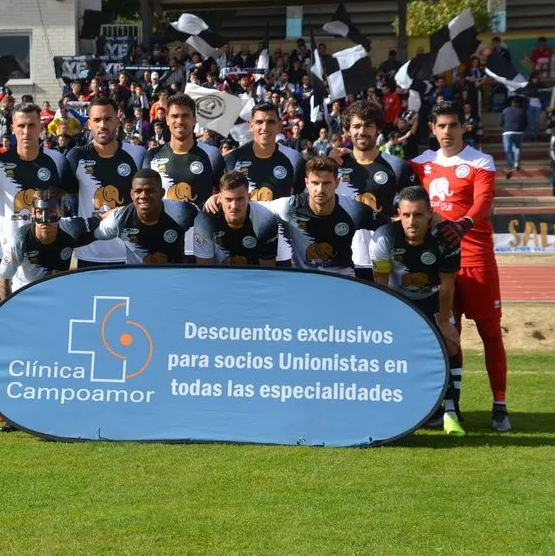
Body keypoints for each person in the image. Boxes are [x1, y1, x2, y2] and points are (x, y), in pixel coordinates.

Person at [409, 101, 511, 432]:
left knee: (490, 333)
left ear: (463, 127)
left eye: (453, 125)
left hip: (476, 259)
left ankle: (499, 405)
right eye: (442, 126)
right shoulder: (420, 164)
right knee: (448, 335)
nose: (447, 132)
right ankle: (453, 407)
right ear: (432, 129)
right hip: (439, 264)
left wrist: (464, 223)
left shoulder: (480, 161)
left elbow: (484, 201)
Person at [0, 103, 77, 303]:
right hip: (8, 256)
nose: (26, 131)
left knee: (51, 319)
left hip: (49, 255)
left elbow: (74, 192)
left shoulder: (57, 161)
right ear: (12, 128)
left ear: (41, 126)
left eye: (31, 125)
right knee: (3, 323)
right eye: (21, 126)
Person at [370, 186, 464, 436]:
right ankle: (406, 407)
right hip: (399, 299)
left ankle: (451, 411)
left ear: (430, 214)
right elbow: (381, 284)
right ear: (398, 215)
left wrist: (444, 322)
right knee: (395, 349)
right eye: (406, 215)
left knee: (450, 344)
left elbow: (447, 284)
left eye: (418, 215)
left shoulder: (446, 238)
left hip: (433, 298)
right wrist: (388, 320)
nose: (412, 221)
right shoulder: (383, 238)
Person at [215, 156, 385, 275]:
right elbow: (249, 205)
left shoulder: (353, 209)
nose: (320, 189)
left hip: (343, 280)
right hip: (304, 280)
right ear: (306, 183)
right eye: (315, 183)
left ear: (336, 183)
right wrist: (218, 198)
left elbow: (388, 226)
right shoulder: (289, 207)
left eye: (326, 183)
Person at [331, 100, 414, 280]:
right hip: (341, 261)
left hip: (384, 261)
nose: (361, 131)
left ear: (378, 129)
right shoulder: (335, 164)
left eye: (368, 125)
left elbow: (415, 209)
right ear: (347, 130)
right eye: (356, 126)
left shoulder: (396, 165)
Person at [65, 97, 145, 268]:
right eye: (97, 120)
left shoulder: (137, 154)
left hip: (129, 251)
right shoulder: (76, 156)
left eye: (108, 119)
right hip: (90, 251)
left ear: (117, 121)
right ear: (89, 124)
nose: (102, 125)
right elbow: (64, 193)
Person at [143, 93, 224, 262]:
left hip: (201, 247)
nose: (180, 121)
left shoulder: (212, 155)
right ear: (166, 119)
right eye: (175, 116)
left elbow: (226, 193)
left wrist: (218, 197)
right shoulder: (152, 156)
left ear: (195, 119)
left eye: (186, 115)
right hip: (162, 245)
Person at [223, 102, 305, 267]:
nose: (264, 127)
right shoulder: (233, 159)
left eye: (271, 122)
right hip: (241, 244)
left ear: (280, 126)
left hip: (281, 248)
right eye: (259, 122)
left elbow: (299, 200)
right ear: (251, 125)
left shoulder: (294, 159)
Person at [0, 191, 95, 299]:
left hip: (57, 293)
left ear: (60, 212)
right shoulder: (19, 240)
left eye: (51, 211)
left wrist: (115, 213)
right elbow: (3, 281)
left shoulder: (72, 228)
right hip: (25, 292)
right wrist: (9, 312)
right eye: (40, 212)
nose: (45, 219)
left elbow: (104, 221)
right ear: (33, 213)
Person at [93, 169, 198, 264]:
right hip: (136, 281)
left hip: (174, 280)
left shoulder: (180, 212)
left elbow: (203, 218)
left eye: (150, 191)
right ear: (131, 194)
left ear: (162, 193)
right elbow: (90, 232)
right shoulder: (120, 218)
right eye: (138, 191)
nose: (143, 196)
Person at [194, 171, 278, 266]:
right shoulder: (205, 220)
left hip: (254, 277)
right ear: (220, 198)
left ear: (249, 197)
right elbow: (206, 272)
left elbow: (267, 271)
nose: (234, 206)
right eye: (228, 199)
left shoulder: (265, 220)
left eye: (240, 199)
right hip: (217, 277)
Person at [500, 95, 528, 178]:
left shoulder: (505, 110)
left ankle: (509, 168)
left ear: (511, 103)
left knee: (508, 150)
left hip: (507, 132)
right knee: (517, 147)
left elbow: (501, 122)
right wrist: (522, 130)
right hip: (518, 132)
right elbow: (526, 123)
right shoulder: (522, 111)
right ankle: (516, 163)